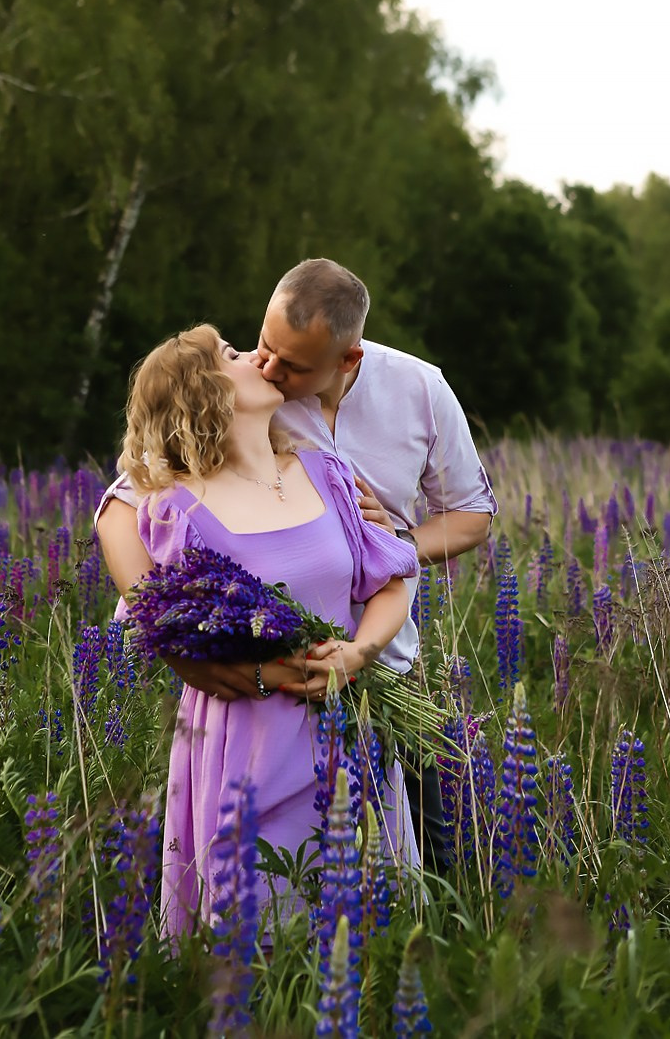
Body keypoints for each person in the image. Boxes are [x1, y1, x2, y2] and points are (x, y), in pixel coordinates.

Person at [100, 260, 497, 871]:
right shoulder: (243, 393)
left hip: (385, 668)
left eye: (293, 366)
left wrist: (384, 542)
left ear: (347, 359)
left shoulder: (418, 389)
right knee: (272, 874)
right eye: (262, 347)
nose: (271, 368)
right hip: (267, 691)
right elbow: (123, 506)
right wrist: (170, 627)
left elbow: (471, 514)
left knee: (418, 862)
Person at [95, 324, 421, 937]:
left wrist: (358, 653)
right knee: (261, 931)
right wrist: (265, 674)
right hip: (249, 738)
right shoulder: (176, 509)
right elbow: (167, 631)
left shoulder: (324, 470)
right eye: (231, 353)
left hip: (352, 724)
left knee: (374, 928)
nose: (256, 356)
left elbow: (390, 580)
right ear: (202, 393)